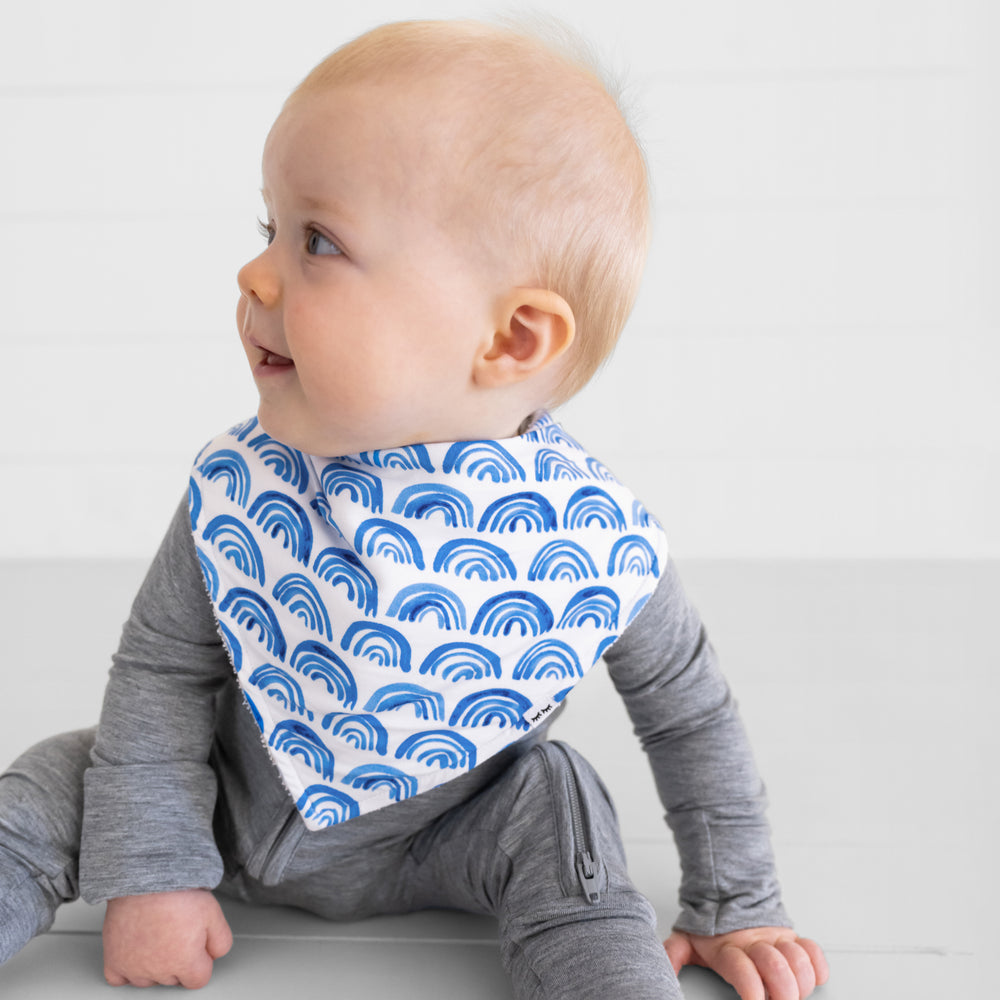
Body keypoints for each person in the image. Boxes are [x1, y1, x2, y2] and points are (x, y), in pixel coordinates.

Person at [0, 19, 829, 999]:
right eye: (269, 228)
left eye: (318, 241)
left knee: (561, 812)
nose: (255, 274)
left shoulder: (590, 543)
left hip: (449, 831)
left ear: (510, 338)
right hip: (228, 795)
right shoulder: (244, 483)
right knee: (65, 774)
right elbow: (161, 668)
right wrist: (155, 868)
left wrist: (739, 896)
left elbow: (689, 718)